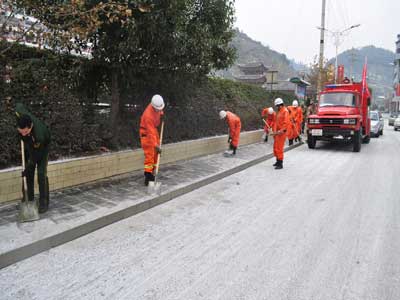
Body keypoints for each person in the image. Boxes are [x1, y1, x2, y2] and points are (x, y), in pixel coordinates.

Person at [15, 103, 51, 213]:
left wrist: (29, 167)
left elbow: (36, 156)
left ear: (30, 127)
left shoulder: (39, 135)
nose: (23, 134)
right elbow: (18, 105)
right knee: (28, 172)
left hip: (43, 147)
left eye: (26, 132)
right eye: (21, 132)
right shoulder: (20, 114)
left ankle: (44, 200)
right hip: (30, 144)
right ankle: (28, 198)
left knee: (40, 173)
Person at [140, 95, 165, 186]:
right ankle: (148, 176)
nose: (159, 110)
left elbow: (160, 112)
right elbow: (150, 134)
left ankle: (153, 172)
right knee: (150, 154)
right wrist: (155, 145)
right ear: (153, 107)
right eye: (158, 109)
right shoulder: (148, 116)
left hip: (153, 130)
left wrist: (162, 116)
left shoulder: (157, 106)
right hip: (146, 133)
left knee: (156, 154)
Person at [272, 98, 289, 169]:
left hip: (282, 133)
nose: (276, 107)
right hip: (278, 133)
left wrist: (281, 130)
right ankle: (277, 160)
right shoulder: (279, 112)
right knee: (275, 147)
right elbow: (276, 122)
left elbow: (286, 123)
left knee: (279, 148)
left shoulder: (285, 111)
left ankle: (280, 163)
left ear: (280, 105)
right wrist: (274, 131)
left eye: (277, 106)